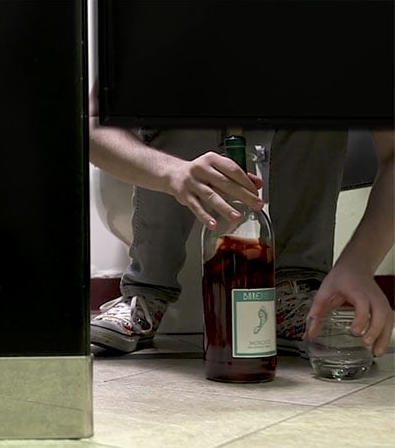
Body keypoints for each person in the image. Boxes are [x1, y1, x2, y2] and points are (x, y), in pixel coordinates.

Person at [88, 84, 394, 358]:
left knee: (321, 108)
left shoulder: (350, 28)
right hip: (179, 136)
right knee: (180, 110)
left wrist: (359, 264)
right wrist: (170, 172)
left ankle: (295, 292)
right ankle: (147, 290)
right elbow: (91, 123)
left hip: (285, 131)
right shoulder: (145, 24)